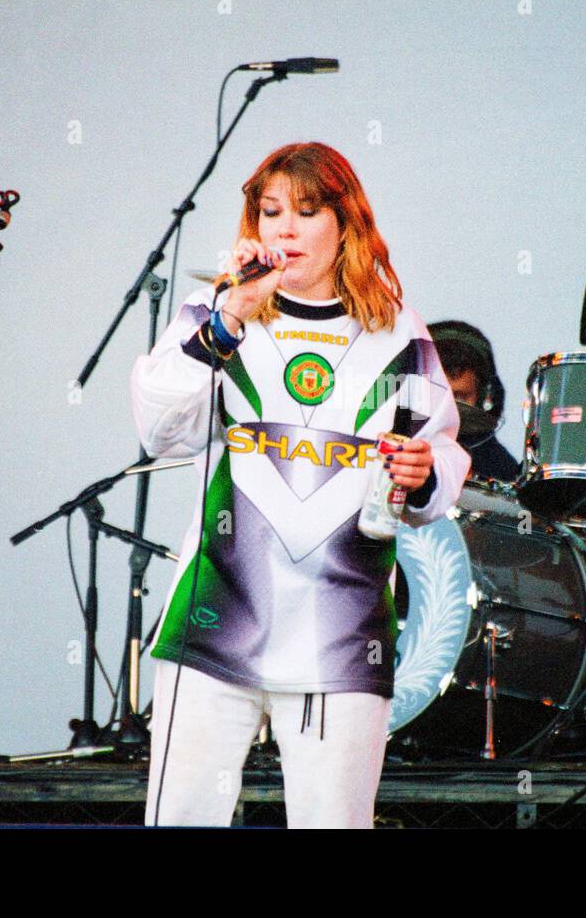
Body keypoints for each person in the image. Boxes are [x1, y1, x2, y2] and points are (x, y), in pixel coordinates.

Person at [130, 142, 469, 827]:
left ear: (347, 223)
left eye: (307, 212)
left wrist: (424, 473)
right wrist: (227, 320)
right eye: (270, 211)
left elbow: (441, 455)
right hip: (215, 618)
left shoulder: (397, 332)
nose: (285, 229)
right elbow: (161, 429)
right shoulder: (213, 312)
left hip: (340, 634)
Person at [428, 320, 521, 481]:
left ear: (485, 395)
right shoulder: (385, 446)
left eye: (459, 397)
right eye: (436, 395)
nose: (446, 409)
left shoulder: (503, 472)